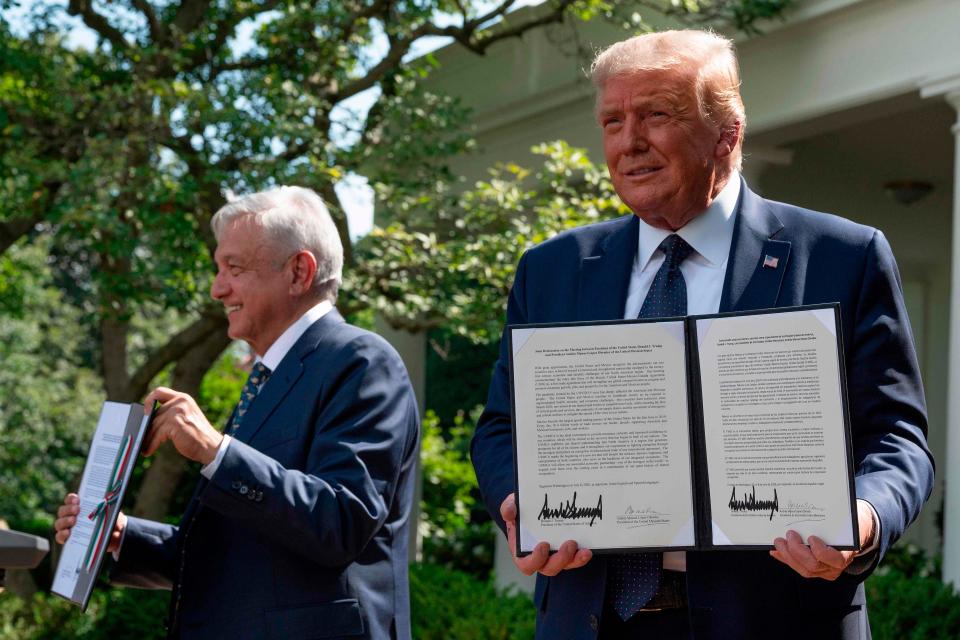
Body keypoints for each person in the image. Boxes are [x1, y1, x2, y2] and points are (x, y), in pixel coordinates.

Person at [471, 29, 934, 639]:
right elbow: (503, 429)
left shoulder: (841, 257)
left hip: (779, 618)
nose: (629, 142)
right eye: (612, 121)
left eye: (656, 115)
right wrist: (517, 504)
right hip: (591, 619)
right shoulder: (551, 269)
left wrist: (864, 516)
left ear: (727, 133)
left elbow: (897, 439)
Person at [54, 186, 420, 639]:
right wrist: (120, 536)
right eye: (217, 268)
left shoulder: (361, 361)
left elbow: (340, 522)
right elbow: (232, 553)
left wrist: (215, 451)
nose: (216, 288)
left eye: (234, 268)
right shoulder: (267, 378)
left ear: (298, 272)